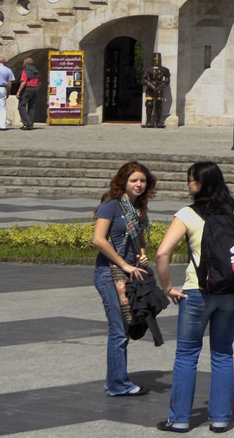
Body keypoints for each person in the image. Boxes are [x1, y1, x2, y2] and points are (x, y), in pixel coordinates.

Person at [155, 161, 234, 432]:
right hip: (232, 293)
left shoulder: (187, 214)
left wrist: (167, 288)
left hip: (197, 292)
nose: (187, 184)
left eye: (190, 179)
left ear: (201, 184)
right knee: (222, 354)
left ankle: (179, 419)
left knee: (186, 355)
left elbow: (162, 253)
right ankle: (220, 419)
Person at [91, 159, 157, 399]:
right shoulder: (111, 204)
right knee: (119, 329)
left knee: (125, 328)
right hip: (109, 272)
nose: (139, 184)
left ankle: (115, 380)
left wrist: (142, 255)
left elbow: (138, 238)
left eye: (142, 180)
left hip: (130, 273)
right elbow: (98, 240)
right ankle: (118, 384)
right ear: (123, 181)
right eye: (134, 180)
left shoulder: (137, 207)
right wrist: (124, 263)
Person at [142, 58, 172, 129]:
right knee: (149, 103)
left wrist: (160, 87)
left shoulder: (164, 69)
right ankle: (148, 121)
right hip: (150, 88)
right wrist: (151, 86)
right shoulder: (148, 69)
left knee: (159, 104)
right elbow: (143, 80)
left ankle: (158, 121)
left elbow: (167, 80)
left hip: (159, 88)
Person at [17, 57, 44, 130]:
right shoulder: (36, 71)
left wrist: (19, 91)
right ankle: (30, 124)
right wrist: (37, 89)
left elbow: (23, 82)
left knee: (21, 106)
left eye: (23, 62)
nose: (23, 64)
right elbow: (39, 82)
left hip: (27, 89)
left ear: (26, 63)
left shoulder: (25, 71)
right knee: (32, 107)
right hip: (35, 89)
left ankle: (27, 123)